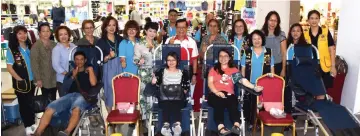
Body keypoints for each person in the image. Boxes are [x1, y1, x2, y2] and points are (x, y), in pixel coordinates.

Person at [34, 51, 97, 136]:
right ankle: (37, 133)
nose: (79, 61)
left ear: (85, 60)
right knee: (50, 108)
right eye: (77, 59)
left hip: (82, 96)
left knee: (76, 109)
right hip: (69, 96)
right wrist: (72, 77)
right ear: (74, 61)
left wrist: (91, 70)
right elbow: (64, 88)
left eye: (81, 59)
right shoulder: (70, 73)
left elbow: (93, 83)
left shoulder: (89, 71)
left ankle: (66, 132)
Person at [208, 49, 263, 135]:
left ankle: (236, 126)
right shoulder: (214, 69)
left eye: (225, 56)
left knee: (233, 103)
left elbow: (242, 81)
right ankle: (221, 128)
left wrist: (254, 87)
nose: (223, 58)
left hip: (229, 94)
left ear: (229, 58)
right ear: (218, 58)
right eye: (221, 56)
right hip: (215, 94)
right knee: (218, 103)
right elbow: (210, 83)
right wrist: (216, 92)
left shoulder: (233, 70)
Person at [241, 30, 275, 129]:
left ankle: (259, 122)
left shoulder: (267, 52)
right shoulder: (247, 52)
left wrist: (271, 80)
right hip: (250, 83)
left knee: (260, 103)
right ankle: (252, 122)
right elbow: (243, 68)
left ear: (262, 39)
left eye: (259, 38)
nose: (256, 41)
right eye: (254, 39)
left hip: (263, 84)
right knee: (252, 102)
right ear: (251, 40)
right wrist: (244, 82)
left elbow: (271, 67)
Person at [6, 25, 36, 135]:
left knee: (31, 103)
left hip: (32, 81)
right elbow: (9, 67)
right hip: (21, 84)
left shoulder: (30, 46)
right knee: (24, 105)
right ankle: (27, 125)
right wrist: (20, 80)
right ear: (15, 35)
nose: (23, 36)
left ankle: (33, 123)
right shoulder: (12, 50)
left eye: (24, 33)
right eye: (19, 33)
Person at [151, 52, 190, 136]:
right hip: (164, 97)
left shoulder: (183, 72)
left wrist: (181, 91)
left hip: (179, 98)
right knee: (166, 102)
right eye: (169, 60)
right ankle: (166, 127)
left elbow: (186, 88)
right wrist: (154, 80)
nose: (171, 62)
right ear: (166, 61)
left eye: (173, 60)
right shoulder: (161, 71)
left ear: (177, 61)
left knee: (176, 101)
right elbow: (156, 83)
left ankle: (176, 126)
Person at [134, 22, 159, 135]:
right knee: (144, 100)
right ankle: (145, 125)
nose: (152, 33)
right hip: (144, 74)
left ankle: (153, 123)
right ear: (145, 31)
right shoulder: (139, 44)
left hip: (155, 75)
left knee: (153, 99)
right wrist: (139, 61)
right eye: (150, 31)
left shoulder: (157, 44)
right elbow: (135, 59)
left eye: (154, 31)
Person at [304, 10, 336, 93]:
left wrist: (333, 66)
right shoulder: (305, 33)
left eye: (316, 18)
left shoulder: (325, 32)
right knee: (311, 90)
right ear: (308, 20)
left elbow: (331, 49)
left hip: (324, 67)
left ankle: (321, 105)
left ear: (319, 20)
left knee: (323, 90)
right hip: (310, 67)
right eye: (311, 18)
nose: (314, 20)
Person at [96, 16, 124, 112]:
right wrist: (108, 56)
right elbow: (99, 59)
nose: (111, 27)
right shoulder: (100, 41)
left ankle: (119, 115)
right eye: (109, 25)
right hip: (108, 67)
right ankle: (110, 117)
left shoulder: (120, 39)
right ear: (105, 27)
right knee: (109, 90)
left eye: (114, 25)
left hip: (120, 66)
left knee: (120, 90)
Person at [165, 18, 198, 85]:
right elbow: (164, 57)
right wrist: (169, 45)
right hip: (171, 72)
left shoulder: (192, 42)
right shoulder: (169, 40)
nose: (181, 30)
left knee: (186, 93)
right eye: (179, 27)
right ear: (176, 28)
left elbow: (195, 60)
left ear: (187, 28)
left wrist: (194, 75)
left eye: (183, 27)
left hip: (187, 71)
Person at [31, 23, 57, 101]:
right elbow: (34, 64)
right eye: (43, 31)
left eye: (48, 31)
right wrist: (38, 79)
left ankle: (53, 113)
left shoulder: (54, 44)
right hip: (43, 78)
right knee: (46, 100)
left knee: (53, 98)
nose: (46, 33)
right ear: (39, 33)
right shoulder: (36, 46)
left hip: (54, 77)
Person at [52, 26, 77, 97]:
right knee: (65, 102)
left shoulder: (73, 46)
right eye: (61, 34)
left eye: (65, 34)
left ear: (69, 35)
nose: (63, 36)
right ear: (57, 36)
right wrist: (68, 75)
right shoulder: (56, 49)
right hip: (63, 80)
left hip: (74, 79)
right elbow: (56, 65)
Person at [261, 11, 287, 77]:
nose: (273, 23)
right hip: (264, 66)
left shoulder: (281, 34)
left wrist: (283, 69)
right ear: (267, 21)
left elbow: (284, 53)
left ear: (278, 22)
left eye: (275, 21)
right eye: (271, 20)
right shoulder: (261, 34)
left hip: (278, 65)